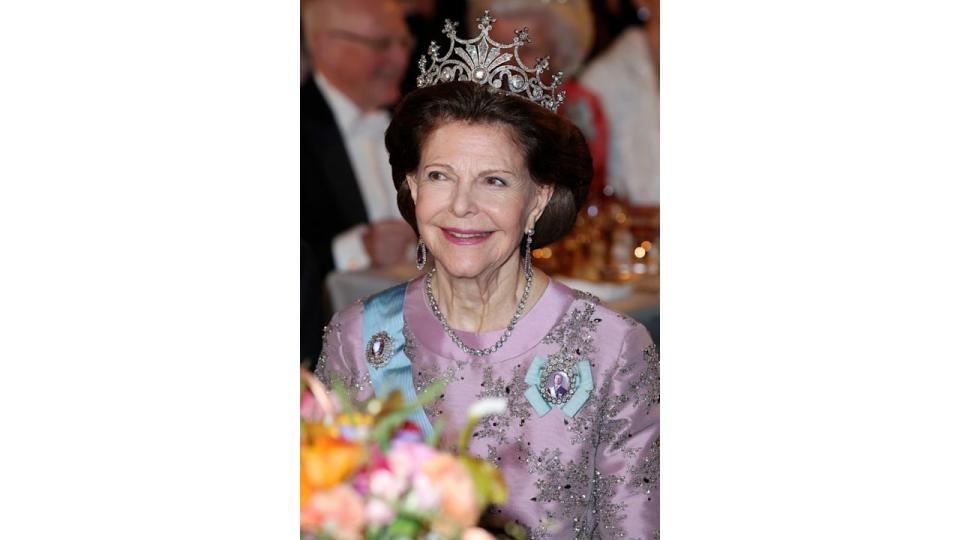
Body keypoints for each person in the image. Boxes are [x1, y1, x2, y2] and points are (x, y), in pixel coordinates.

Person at [316, 12, 659, 538]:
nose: (460, 206)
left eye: (494, 181)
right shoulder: (360, 338)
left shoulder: (613, 349)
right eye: (439, 176)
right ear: (410, 185)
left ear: (537, 198)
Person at [301, 0, 417, 362]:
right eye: (382, 45)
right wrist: (355, 249)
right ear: (324, 45)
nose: (399, 60)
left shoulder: (412, 121)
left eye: (404, 43)